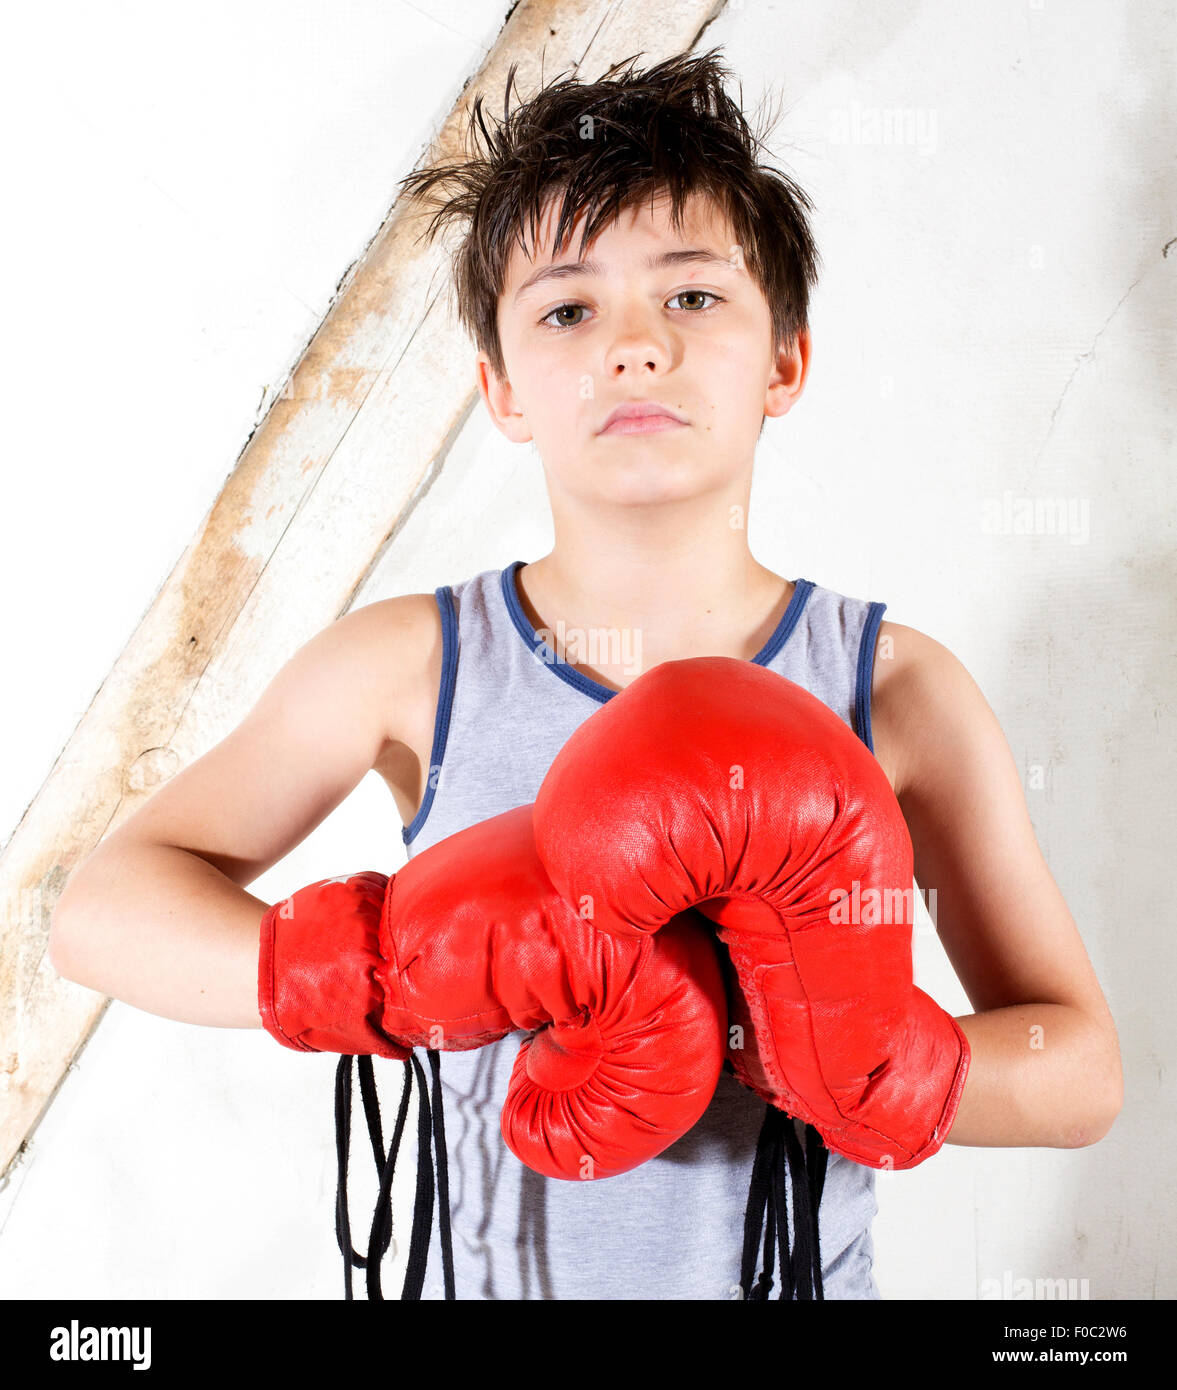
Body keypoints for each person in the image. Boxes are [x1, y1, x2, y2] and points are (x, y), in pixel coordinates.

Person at [48, 48, 1122, 1300]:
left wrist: (869, 1055)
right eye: (567, 309)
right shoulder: (414, 665)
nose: (631, 346)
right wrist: (393, 971)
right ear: (500, 390)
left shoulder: (890, 689)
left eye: (691, 297)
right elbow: (100, 910)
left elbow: (1080, 1071)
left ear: (785, 358)